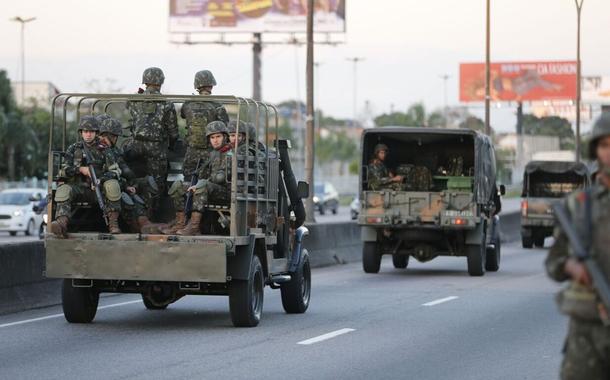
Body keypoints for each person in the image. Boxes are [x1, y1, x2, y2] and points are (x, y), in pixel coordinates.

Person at [546, 112, 610, 380]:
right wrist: (573, 266)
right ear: (595, 150)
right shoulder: (579, 204)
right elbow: (554, 264)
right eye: (606, 145)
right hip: (587, 331)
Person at [50, 115, 123, 236]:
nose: (88, 134)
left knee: (113, 185)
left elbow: (115, 171)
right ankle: (61, 224)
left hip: (99, 190)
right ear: (81, 133)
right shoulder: (73, 149)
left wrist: (100, 180)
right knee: (63, 189)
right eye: (85, 131)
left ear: (96, 133)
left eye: (91, 131)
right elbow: (63, 171)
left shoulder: (104, 149)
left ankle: (113, 224)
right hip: (79, 189)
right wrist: (80, 169)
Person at [124, 67, 178, 213]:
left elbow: (130, 115)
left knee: (135, 179)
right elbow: (173, 133)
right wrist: (171, 146)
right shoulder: (167, 104)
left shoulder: (135, 100)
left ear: (145, 81)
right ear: (161, 81)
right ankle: (151, 216)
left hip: (135, 146)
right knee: (156, 184)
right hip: (157, 149)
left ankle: (134, 214)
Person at [98, 117, 164, 234]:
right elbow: (104, 174)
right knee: (125, 196)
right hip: (106, 185)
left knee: (148, 182)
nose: (114, 139)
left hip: (119, 181)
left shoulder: (113, 150)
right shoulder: (98, 149)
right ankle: (137, 224)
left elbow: (125, 170)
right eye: (113, 136)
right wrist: (126, 185)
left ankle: (145, 219)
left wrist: (133, 183)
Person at [164, 121, 231, 236]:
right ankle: (181, 222)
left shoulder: (230, 153)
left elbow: (221, 178)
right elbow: (204, 175)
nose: (215, 140)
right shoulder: (212, 154)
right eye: (212, 137)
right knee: (178, 186)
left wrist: (201, 183)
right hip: (210, 189)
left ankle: (194, 226)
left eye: (218, 136)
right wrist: (197, 182)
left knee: (202, 185)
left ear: (225, 137)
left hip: (226, 192)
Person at [180, 70, 229, 180]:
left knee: (188, 180)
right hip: (210, 150)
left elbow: (183, 115)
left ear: (197, 85)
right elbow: (225, 126)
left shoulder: (187, 103)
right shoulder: (217, 105)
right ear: (211, 85)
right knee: (207, 180)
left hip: (191, 150)